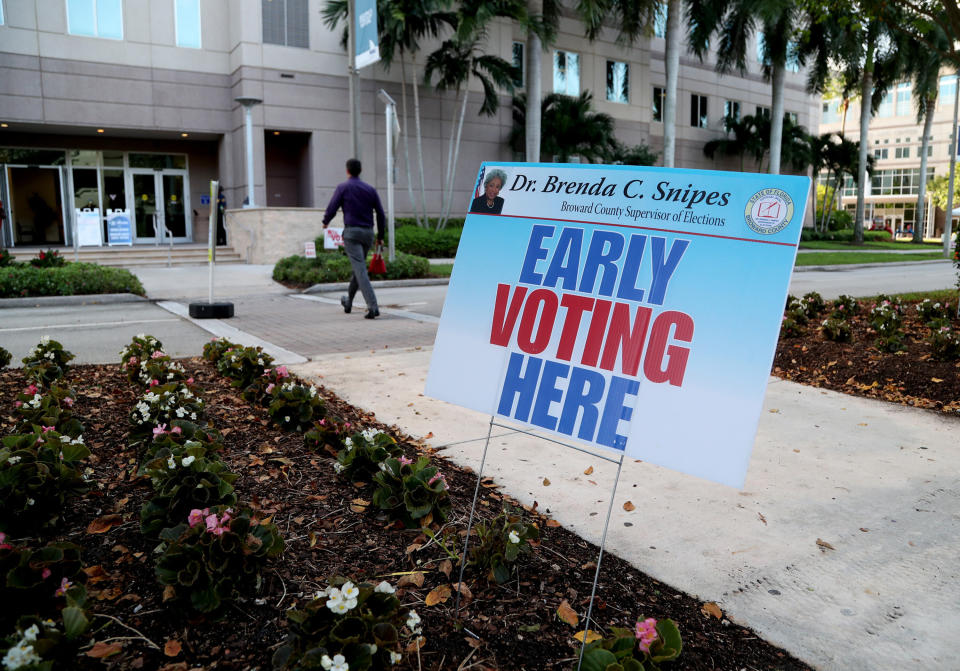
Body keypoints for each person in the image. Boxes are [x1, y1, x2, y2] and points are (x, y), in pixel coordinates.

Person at [323, 159, 386, 319]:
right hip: (368, 234)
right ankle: (348, 301)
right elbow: (380, 213)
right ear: (360, 170)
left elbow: (333, 207)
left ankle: (373, 306)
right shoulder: (370, 189)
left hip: (352, 233)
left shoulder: (343, 187)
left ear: (347, 171)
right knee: (359, 269)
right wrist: (381, 236)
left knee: (360, 270)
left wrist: (325, 221)